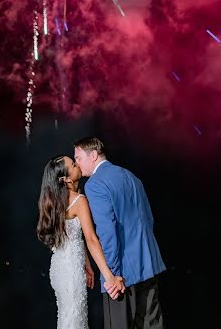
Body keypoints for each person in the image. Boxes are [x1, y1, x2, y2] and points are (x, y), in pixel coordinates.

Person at [74, 137, 166, 329]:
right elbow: (148, 219)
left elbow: (107, 233)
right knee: (152, 324)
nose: (77, 164)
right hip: (148, 264)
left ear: (93, 155)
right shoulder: (131, 176)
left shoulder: (94, 184)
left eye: (79, 158)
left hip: (123, 273)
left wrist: (112, 275)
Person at [37, 154, 125, 329]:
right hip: (71, 272)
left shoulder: (52, 203)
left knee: (66, 319)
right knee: (75, 321)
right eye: (73, 164)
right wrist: (109, 277)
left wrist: (87, 264)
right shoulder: (79, 201)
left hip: (58, 270)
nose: (77, 164)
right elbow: (91, 239)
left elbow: (72, 237)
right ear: (67, 179)